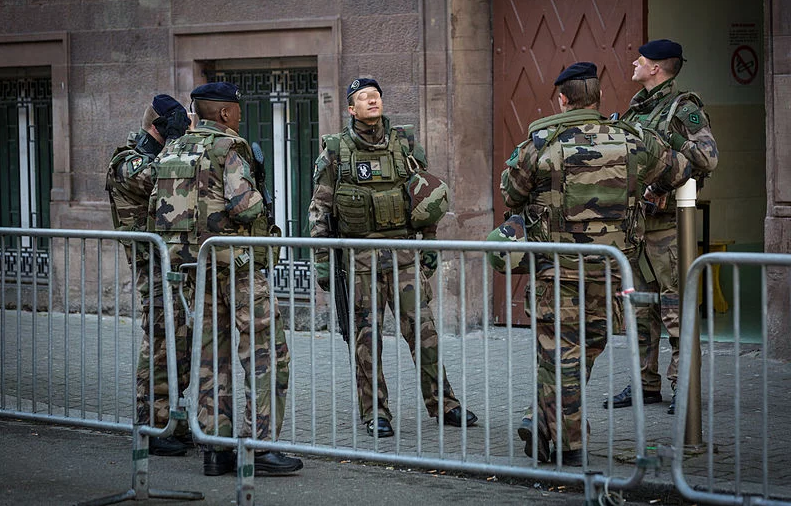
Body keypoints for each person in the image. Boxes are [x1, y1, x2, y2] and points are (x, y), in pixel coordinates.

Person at [495, 62, 693, 465]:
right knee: (584, 351)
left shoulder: (541, 142)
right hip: (609, 269)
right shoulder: (631, 140)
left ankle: (557, 435)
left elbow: (511, 193)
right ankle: (557, 432)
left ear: (563, 99)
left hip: (556, 271)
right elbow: (681, 168)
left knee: (559, 356)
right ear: (598, 99)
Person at [308, 77, 478, 438]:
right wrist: (323, 260)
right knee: (367, 341)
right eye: (362, 98)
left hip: (403, 257)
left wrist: (429, 244)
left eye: (376, 96)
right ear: (351, 109)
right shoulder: (335, 150)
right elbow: (320, 207)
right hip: (359, 261)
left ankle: (444, 404)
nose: (372, 101)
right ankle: (375, 412)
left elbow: (425, 196)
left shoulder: (405, 143)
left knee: (425, 332)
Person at [148, 82, 302, 476]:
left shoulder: (172, 150)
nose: (238, 117)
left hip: (194, 271)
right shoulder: (227, 148)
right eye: (236, 110)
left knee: (210, 359)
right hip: (237, 269)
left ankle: (217, 450)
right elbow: (245, 206)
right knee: (267, 353)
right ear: (224, 114)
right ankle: (260, 446)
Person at [604, 39, 718, 415]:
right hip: (637, 224)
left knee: (674, 307)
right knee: (639, 308)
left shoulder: (683, 108)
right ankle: (645, 384)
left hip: (667, 225)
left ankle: (682, 386)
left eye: (642, 58)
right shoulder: (639, 108)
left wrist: (663, 141)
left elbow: (707, 158)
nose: (634, 62)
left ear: (656, 68)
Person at [105, 94, 192, 456]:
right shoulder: (128, 163)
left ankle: (169, 416)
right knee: (159, 342)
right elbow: (168, 181)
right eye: (177, 125)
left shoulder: (155, 155)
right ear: (158, 128)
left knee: (178, 343)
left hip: (172, 267)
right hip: (151, 268)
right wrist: (181, 144)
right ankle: (151, 424)